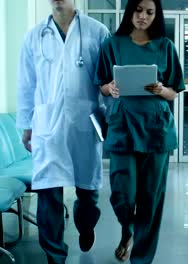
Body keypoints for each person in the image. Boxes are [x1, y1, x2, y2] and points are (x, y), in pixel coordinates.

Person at [16, 0, 109, 263]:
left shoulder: (97, 31)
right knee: (49, 196)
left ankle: (86, 224)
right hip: (48, 127)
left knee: (88, 195)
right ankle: (55, 257)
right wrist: (26, 125)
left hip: (85, 123)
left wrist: (112, 117)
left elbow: (108, 79)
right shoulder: (34, 36)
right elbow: (26, 84)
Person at [94, 0, 184, 262]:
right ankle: (127, 229)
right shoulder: (112, 44)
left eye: (149, 12)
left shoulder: (165, 47)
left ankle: (142, 258)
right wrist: (110, 88)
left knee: (150, 198)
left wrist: (160, 89)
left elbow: (174, 91)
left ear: (156, 16)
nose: (143, 16)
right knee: (123, 193)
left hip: (156, 129)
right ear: (129, 11)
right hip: (123, 126)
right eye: (138, 10)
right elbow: (102, 85)